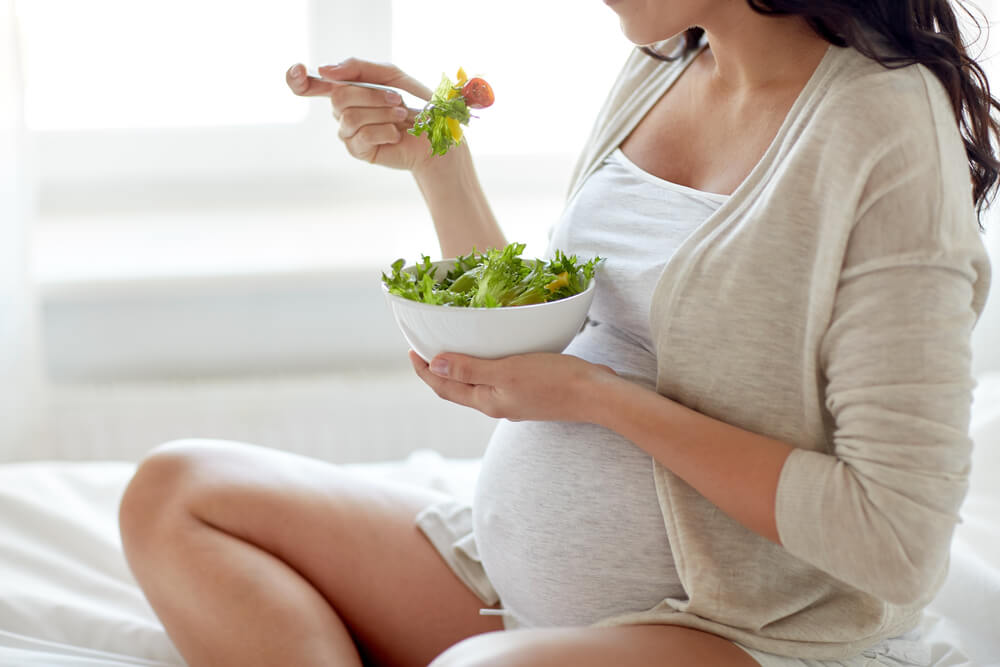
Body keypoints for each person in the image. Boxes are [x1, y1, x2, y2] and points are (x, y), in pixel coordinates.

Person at [118, 1, 996, 665]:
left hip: (742, 629)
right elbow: (563, 346)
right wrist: (441, 168)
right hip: (506, 578)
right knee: (176, 492)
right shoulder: (666, 61)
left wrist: (600, 401)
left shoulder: (882, 125)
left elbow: (899, 542)